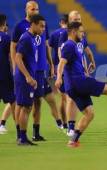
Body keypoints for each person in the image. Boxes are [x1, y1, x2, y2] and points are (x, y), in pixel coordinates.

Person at [15, 14, 46, 145]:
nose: (43, 29)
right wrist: (28, 76)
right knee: (26, 107)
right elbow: (17, 58)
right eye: (41, 26)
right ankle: (22, 138)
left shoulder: (33, 38)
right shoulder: (26, 38)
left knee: (26, 106)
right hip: (24, 78)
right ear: (33, 24)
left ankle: (23, 137)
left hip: (29, 77)